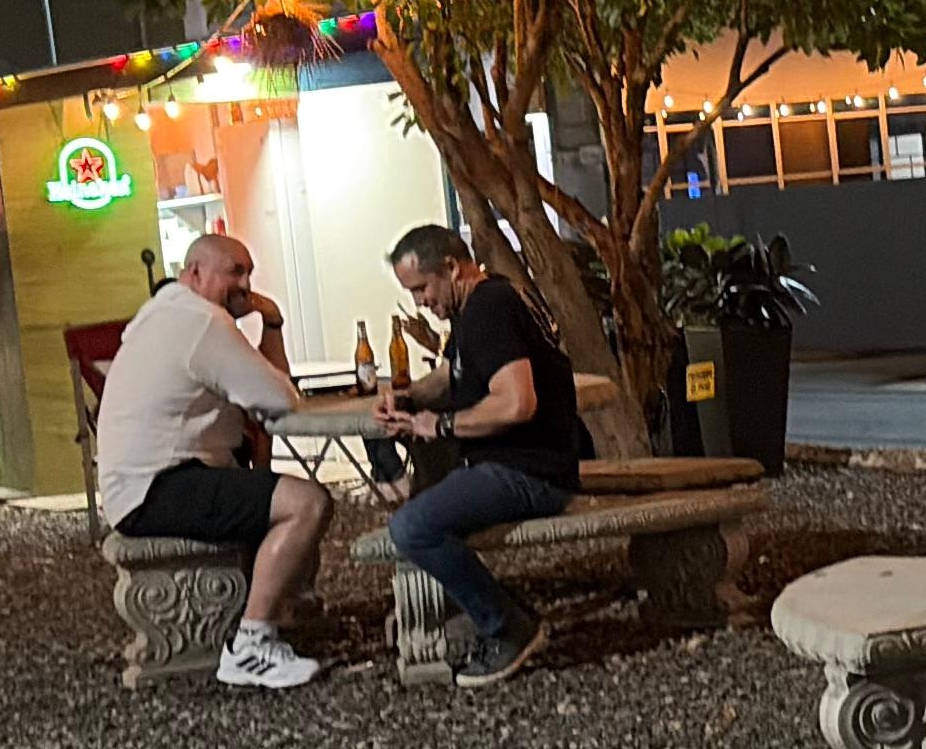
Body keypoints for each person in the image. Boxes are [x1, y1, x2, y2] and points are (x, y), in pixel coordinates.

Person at [88, 231, 330, 691]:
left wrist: (270, 322)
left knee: (272, 492)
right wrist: (265, 326)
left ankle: (274, 612)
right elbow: (278, 397)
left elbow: (271, 389)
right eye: (234, 271)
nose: (244, 284)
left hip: (138, 485)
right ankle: (252, 646)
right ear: (195, 273)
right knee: (307, 502)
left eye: (249, 273)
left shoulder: (169, 314)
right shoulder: (200, 322)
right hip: (156, 487)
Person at [374, 222, 590, 687]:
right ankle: (474, 606)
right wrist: (407, 399)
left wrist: (440, 424)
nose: (420, 303)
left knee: (412, 526)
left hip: (530, 471)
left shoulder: (489, 308)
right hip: (526, 463)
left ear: (452, 268)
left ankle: (507, 626)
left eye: (422, 288)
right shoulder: (485, 303)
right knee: (422, 504)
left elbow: (516, 403)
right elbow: (452, 375)